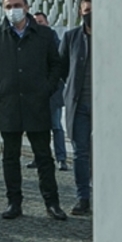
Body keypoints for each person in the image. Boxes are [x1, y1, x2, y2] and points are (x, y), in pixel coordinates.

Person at [0, 0, 66, 221]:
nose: (12, 10)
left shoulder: (44, 34)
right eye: (8, 6)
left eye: (16, 5)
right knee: (10, 157)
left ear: (26, 7)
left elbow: (56, 65)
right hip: (9, 104)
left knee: (44, 157)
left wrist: (47, 89)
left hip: (37, 104)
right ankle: (13, 202)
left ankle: (52, 202)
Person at [60, 0, 93, 216]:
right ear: (81, 12)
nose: (90, 13)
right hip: (79, 103)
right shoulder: (71, 37)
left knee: (105, 153)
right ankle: (83, 198)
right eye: (87, 9)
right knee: (80, 153)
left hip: (106, 105)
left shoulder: (115, 35)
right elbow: (62, 67)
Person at [34, 11, 69, 170]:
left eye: (41, 22)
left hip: (52, 91)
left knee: (55, 125)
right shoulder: (31, 40)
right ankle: (39, 157)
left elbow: (59, 63)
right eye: (36, 22)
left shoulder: (54, 39)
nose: (38, 24)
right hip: (35, 92)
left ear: (47, 23)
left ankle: (61, 158)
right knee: (37, 127)